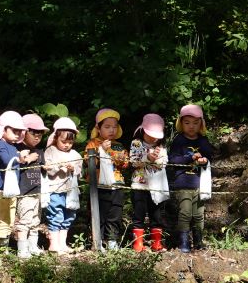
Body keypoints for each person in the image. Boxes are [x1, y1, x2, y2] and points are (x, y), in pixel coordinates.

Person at [168, 104, 216, 253]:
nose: (191, 126)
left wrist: (204, 161)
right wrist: (190, 158)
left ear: (201, 124)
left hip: (199, 182)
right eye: (187, 122)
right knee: (185, 212)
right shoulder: (179, 140)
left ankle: (198, 241)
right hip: (182, 182)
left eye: (195, 123)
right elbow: (172, 160)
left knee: (199, 214)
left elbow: (209, 157)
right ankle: (183, 243)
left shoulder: (203, 141)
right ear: (181, 123)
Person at [85, 108, 129, 250]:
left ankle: (112, 240)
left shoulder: (119, 145)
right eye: (107, 127)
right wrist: (100, 150)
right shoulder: (93, 143)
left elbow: (126, 164)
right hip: (99, 185)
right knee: (100, 213)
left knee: (115, 213)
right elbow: (88, 162)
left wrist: (122, 160)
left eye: (115, 126)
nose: (112, 130)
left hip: (116, 185)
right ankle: (98, 241)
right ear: (98, 128)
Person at [128, 113, 169, 252]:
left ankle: (156, 243)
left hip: (157, 187)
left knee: (156, 215)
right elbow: (133, 161)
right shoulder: (136, 143)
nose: (154, 138)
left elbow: (163, 163)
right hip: (139, 185)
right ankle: (137, 244)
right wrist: (147, 157)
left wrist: (155, 158)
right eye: (151, 134)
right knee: (138, 214)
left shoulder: (161, 147)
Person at [43, 118, 83, 255]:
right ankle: (54, 243)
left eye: (70, 142)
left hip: (70, 192)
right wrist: (59, 166)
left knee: (69, 215)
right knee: (56, 213)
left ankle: (62, 243)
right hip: (55, 189)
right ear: (56, 138)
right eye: (63, 141)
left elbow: (79, 172)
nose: (67, 145)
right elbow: (48, 168)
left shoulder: (76, 154)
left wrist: (73, 169)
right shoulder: (50, 151)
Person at [0, 110, 26, 250]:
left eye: (19, 131)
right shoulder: (0, 145)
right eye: (14, 130)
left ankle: (3, 246)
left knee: (10, 220)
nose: (17, 134)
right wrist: (20, 158)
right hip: (1, 189)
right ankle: (0, 249)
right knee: (4, 220)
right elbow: (6, 161)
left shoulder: (13, 146)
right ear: (3, 129)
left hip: (11, 189)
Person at [14, 113, 47, 258]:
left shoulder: (40, 151)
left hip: (37, 191)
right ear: (24, 132)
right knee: (25, 221)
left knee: (35, 220)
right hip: (24, 191)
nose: (37, 137)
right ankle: (22, 248)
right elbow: (12, 166)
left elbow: (44, 167)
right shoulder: (17, 148)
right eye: (33, 133)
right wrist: (26, 159)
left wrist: (48, 168)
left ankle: (33, 246)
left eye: (40, 134)